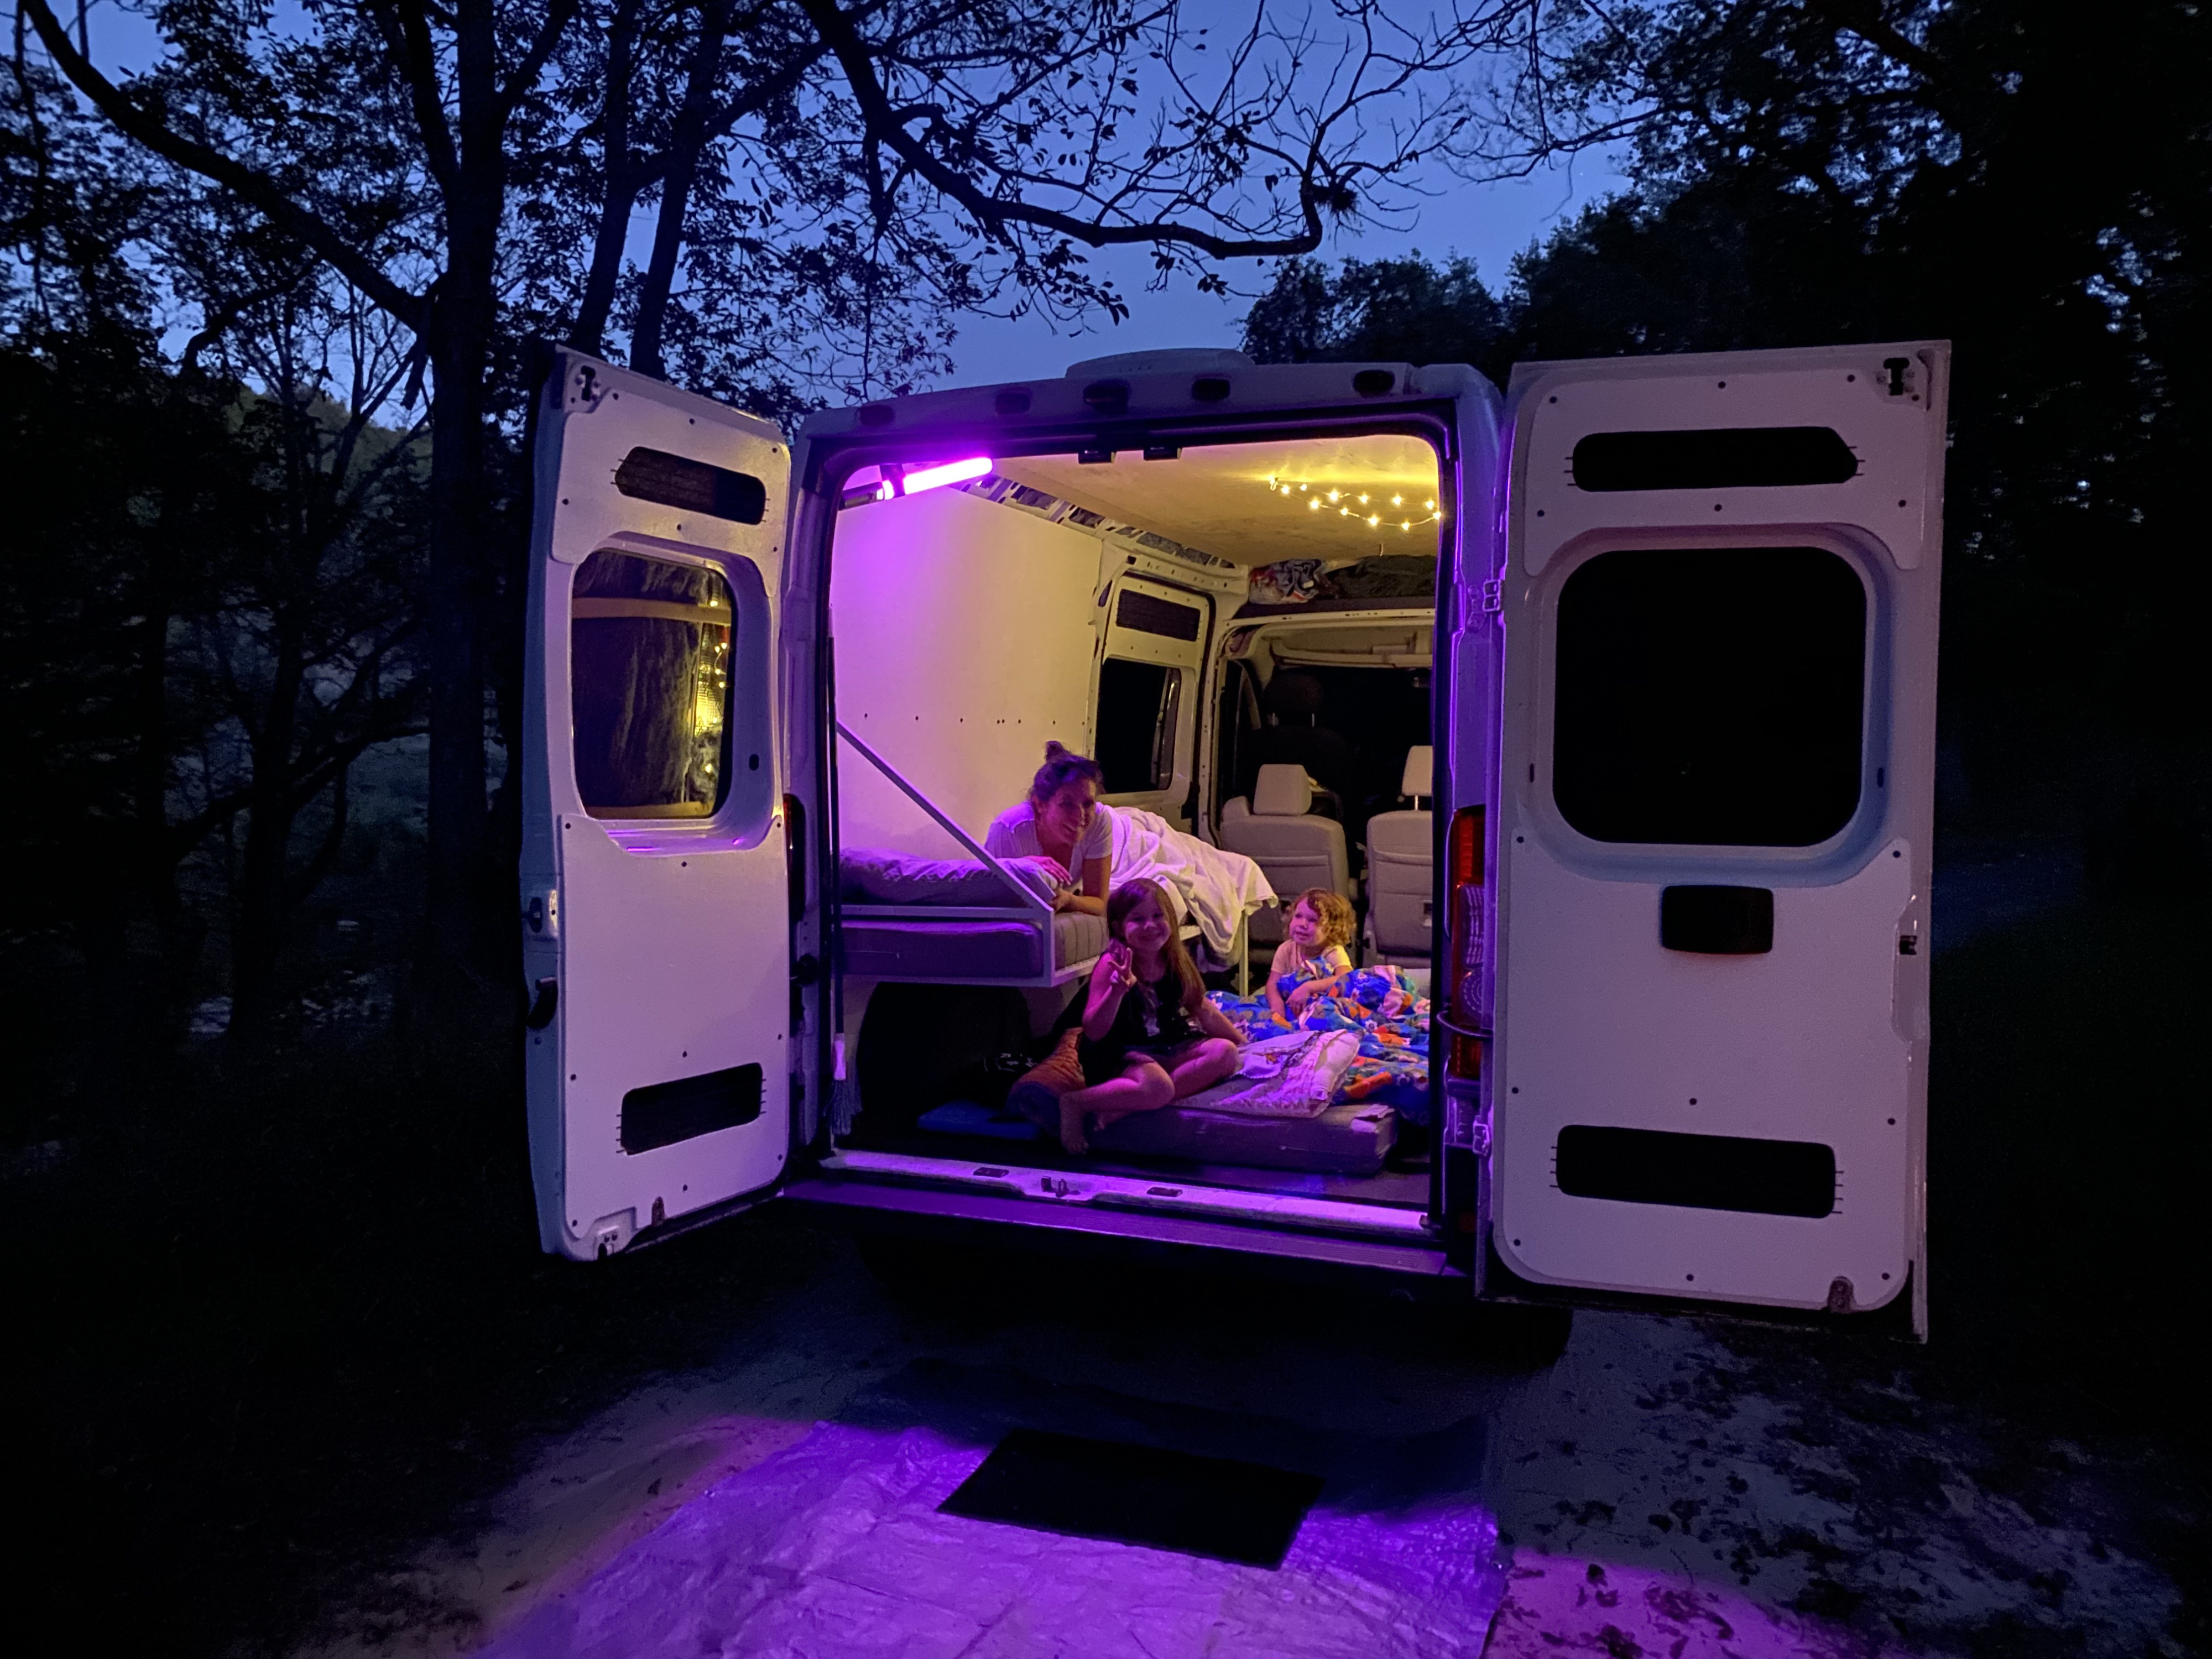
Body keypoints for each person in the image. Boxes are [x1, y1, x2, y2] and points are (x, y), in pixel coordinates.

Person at [1058, 879, 1243, 1154]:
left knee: (1226, 1053)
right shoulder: (1111, 964)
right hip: (1123, 1052)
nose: (1150, 926)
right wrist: (1116, 992)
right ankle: (1077, 1102)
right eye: (1138, 919)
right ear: (1120, 927)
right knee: (1158, 1088)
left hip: (1167, 1043)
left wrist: (1244, 1043)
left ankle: (1123, 1109)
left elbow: (1200, 1007)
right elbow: (1094, 1031)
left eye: (1158, 916)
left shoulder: (1174, 958)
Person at [985, 742, 1112, 915]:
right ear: (1040, 805)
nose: (1080, 815)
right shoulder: (1009, 830)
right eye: (1067, 804)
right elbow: (990, 899)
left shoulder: (1099, 820)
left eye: (1087, 803)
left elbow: (1099, 902)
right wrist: (1021, 867)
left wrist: (1069, 899)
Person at [1266, 888, 1357, 1026]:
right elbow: (1272, 984)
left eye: (1313, 920)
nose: (1303, 924)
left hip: (1321, 1008)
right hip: (1291, 1007)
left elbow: (1347, 979)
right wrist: (1277, 1007)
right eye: (1298, 916)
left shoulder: (1333, 951)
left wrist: (1308, 987)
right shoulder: (1286, 949)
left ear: (1332, 929)